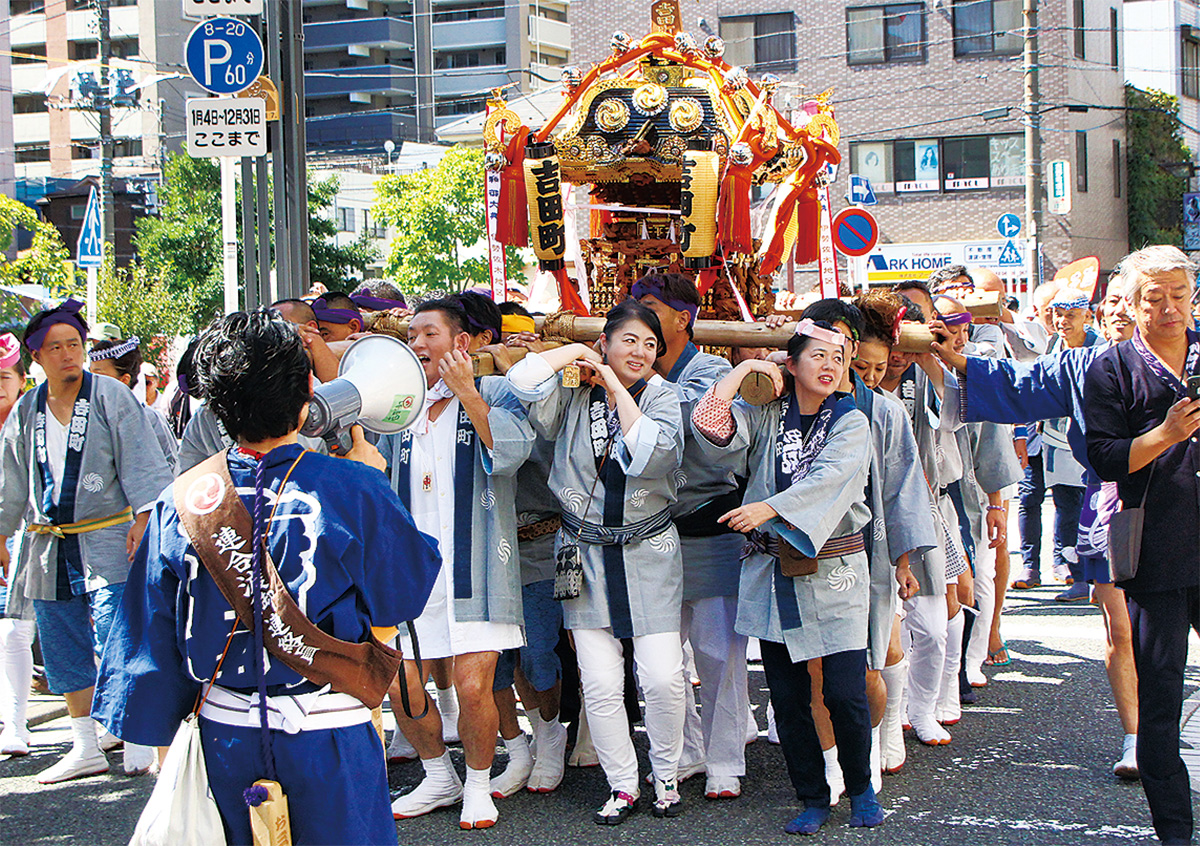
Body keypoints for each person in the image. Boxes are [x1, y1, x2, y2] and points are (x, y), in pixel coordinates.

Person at [92, 309, 441, 845]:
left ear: (217, 405)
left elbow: (151, 635)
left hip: (224, 736)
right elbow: (403, 594)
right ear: (307, 393)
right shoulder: (351, 486)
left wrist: (159, 744)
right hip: (329, 735)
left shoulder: (181, 500)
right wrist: (376, 484)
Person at [690, 318, 882, 835]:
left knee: (843, 691)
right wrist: (751, 366)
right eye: (817, 355)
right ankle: (813, 795)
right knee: (788, 695)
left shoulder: (852, 420)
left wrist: (768, 508)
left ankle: (860, 786)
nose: (830, 366)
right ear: (791, 363)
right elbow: (710, 423)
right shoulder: (765, 414)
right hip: (772, 571)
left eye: (838, 358)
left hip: (835, 568)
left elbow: (832, 479)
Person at [506, 300, 688, 824]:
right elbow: (521, 383)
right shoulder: (571, 394)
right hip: (582, 553)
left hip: (648, 551)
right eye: (628, 339)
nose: (640, 351)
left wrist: (612, 383)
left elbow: (653, 455)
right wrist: (575, 352)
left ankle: (667, 775)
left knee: (662, 676)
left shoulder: (664, 397)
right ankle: (623, 785)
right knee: (601, 680)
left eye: (651, 344)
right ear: (605, 341)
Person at [0, 300, 172, 782]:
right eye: (54, 348)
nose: (67, 355)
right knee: (62, 643)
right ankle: (84, 745)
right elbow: (11, 477)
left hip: (108, 536)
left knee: (119, 633)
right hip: (46, 544)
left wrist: (144, 517)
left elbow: (141, 459)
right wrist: (1, 530)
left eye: (73, 344)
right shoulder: (27, 409)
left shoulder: (111, 397)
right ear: (37, 357)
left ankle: (137, 737)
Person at [382, 294, 532, 830]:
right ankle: (436, 775)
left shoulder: (493, 388)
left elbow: (513, 454)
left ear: (461, 343)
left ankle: (474, 784)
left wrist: (468, 391)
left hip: (479, 561)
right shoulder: (394, 401)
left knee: (473, 686)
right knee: (399, 682)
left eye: (429, 334)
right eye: (410, 336)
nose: (417, 344)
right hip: (408, 565)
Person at [1084, 247, 1200, 845]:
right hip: (1156, 548)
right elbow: (1103, 456)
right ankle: (1175, 832)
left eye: (1179, 294)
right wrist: (1165, 434)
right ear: (1129, 303)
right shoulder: (1111, 368)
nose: (1170, 308)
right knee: (1160, 698)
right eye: (1155, 298)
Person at [635, 272, 749, 799]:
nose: (639, 313)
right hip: (651, 530)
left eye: (650, 306)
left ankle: (726, 758)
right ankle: (683, 750)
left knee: (718, 651)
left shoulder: (712, 370)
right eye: (633, 305)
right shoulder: (629, 368)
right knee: (660, 655)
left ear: (683, 317)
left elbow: (695, 433)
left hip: (709, 523)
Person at [0, 334, 36, 757]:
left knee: (15, 629)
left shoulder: (30, 417)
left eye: (5, 376)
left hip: (31, 532)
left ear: (22, 380)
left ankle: (16, 721)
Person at [88, 338, 178, 473]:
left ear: (124, 380)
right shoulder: (86, 416)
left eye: (98, 376)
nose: (91, 381)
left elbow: (167, 470)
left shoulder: (149, 419)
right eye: (89, 374)